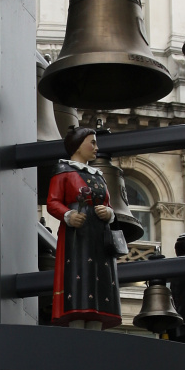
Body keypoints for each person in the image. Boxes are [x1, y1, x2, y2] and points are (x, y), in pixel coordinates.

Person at [46, 126, 122, 327]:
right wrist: (69, 215)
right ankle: (77, 331)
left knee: (99, 295)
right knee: (79, 289)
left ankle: (95, 329)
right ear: (79, 145)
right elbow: (52, 202)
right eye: (93, 142)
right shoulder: (63, 170)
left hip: (99, 238)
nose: (97, 147)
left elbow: (108, 204)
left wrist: (109, 213)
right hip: (77, 239)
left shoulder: (99, 175)